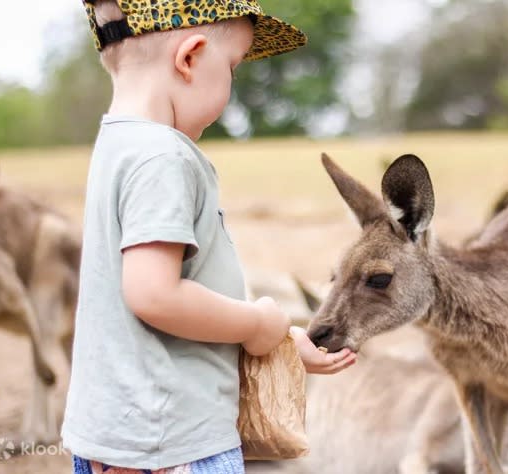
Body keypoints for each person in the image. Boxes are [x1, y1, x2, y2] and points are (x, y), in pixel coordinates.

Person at [61, 1, 357, 473]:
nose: (232, 87)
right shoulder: (164, 158)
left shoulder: (119, 144)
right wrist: (259, 325)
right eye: (233, 68)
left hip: (119, 439)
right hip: (177, 446)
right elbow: (155, 295)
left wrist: (282, 339)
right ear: (190, 57)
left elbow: (155, 323)